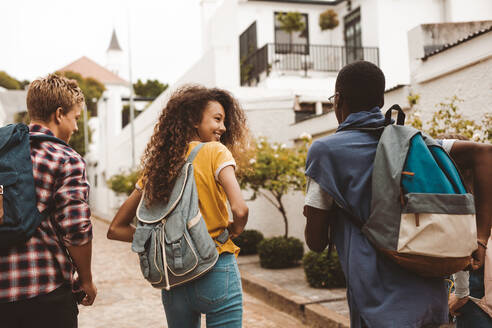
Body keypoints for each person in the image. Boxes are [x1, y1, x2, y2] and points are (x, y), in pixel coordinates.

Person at [303, 61, 492, 328]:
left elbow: (316, 241)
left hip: (377, 305)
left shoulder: (326, 152)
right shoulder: (416, 141)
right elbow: (484, 153)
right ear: (380, 100)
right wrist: (481, 239)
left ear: (339, 100)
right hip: (432, 300)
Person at [107, 85, 249, 328]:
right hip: (216, 267)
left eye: (224, 121)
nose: (223, 128)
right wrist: (235, 230)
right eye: (217, 119)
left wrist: (163, 240)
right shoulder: (216, 151)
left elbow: (116, 229)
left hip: (174, 277)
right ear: (194, 119)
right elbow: (240, 209)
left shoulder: (160, 165)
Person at [0, 74, 96, 328]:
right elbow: (76, 230)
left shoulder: (3, 151)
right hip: (46, 293)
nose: (76, 128)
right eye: (75, 118)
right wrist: (85, 280)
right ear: (59, 114)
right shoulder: (65, 157)